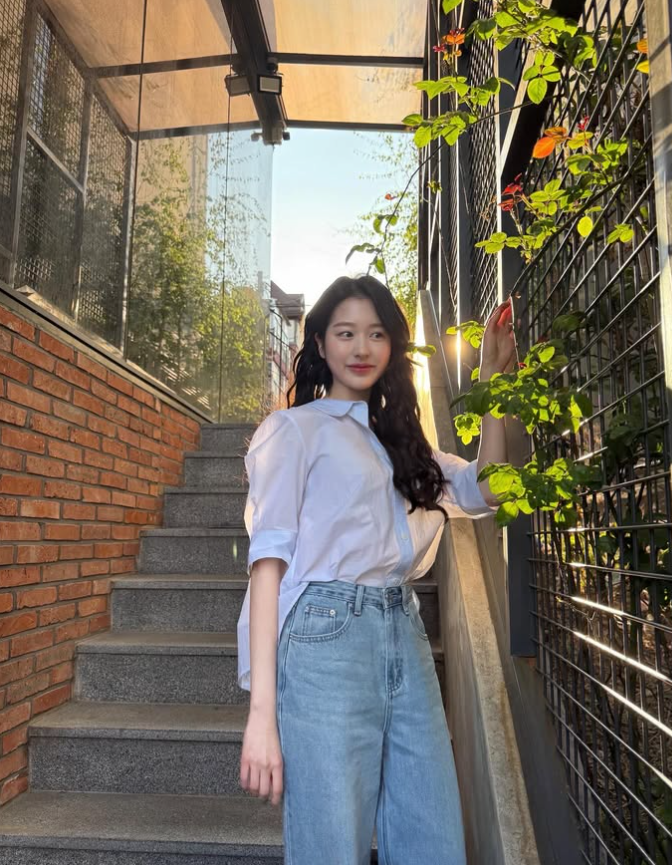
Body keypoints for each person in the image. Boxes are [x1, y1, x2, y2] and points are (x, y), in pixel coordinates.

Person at [237, 275, 517, 864]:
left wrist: (493, 382)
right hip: (324, 637)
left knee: (433, 838)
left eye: (376, 334)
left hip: (403, 630)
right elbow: (267, 568)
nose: (361, 348)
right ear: (319, 343)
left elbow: (487, 489)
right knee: (331, 845)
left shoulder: (403, 442)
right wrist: (262, 716)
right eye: (345, 333)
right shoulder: (294, 431)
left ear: (392, 344)